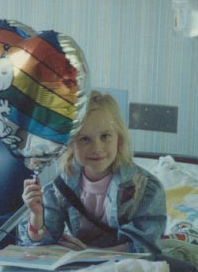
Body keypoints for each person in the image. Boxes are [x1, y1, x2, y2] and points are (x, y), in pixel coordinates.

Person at [18, 91, 167, 257]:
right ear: (70, 144)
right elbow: (40, 244)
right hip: (79, 262)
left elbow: (146, 247)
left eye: (105, 136)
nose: (96, 148)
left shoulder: (146, 189)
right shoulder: (61, 187)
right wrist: (36, 214)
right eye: (84, 139)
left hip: (123, 264)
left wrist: (91, 254)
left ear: (119, 139)